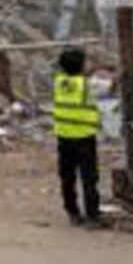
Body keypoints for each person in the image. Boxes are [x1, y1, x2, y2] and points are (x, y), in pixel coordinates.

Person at [52, 46, 103, 227]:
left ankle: (73, 213)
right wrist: (120, 71)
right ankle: (92, 216)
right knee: (89, 178)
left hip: (64, 137)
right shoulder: (88, 86)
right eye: (86, 61)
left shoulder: (59, 81)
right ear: (81, 65)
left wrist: (93, 69)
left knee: (67, 177)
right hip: (84, 138)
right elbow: (111, 86)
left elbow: (75, 73)